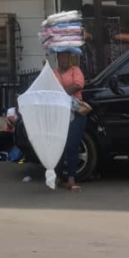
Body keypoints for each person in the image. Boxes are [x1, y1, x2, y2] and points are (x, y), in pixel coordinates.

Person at [54, 52, 86, 193]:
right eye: (61, 57)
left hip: (76, 113)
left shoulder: (76, 70)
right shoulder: (53, 73)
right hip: (60, 113)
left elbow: (78, 85)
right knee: (58, 146)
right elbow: (51, 89)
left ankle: (71, 178)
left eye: (66, 57)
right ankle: (58, 176)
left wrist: (61, 92)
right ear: (57, 58)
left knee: (72, 145)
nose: (64, 60)